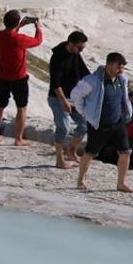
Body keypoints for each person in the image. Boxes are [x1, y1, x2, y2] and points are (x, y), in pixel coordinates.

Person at [72, 52, 133, 193]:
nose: (121, 70)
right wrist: (84, 113)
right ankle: (80, 179)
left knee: (126, 152)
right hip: (99, 124)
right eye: (118, 67)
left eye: (122, 67)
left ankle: (121, 183)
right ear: (109, 65)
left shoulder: (122, 79)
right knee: (90, 153)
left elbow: (124, 99)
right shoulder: (92, 80)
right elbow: (76, 95)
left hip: (118, 122)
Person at [0, 9, 43, 147]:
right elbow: (38, 41)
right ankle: (18, 139)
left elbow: (10, 34)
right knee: (21, 108)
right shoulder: (20, 39)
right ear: (16, 22)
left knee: (0, 106)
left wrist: (19, 26)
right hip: (19, 78)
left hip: (2, 77)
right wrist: (38, 27)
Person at [47, 31, 91, 169]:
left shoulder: (75, 54)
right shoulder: (57, 57)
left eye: (82, 48)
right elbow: (55, 84)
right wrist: (64, 101)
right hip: (57, 98)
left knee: (84, 125)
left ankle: (71, 152)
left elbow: (84, 73)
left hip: (73, 97)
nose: (81, 51)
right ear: (71, 43)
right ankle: (59, 160)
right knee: (63, 128)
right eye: (80, 47)